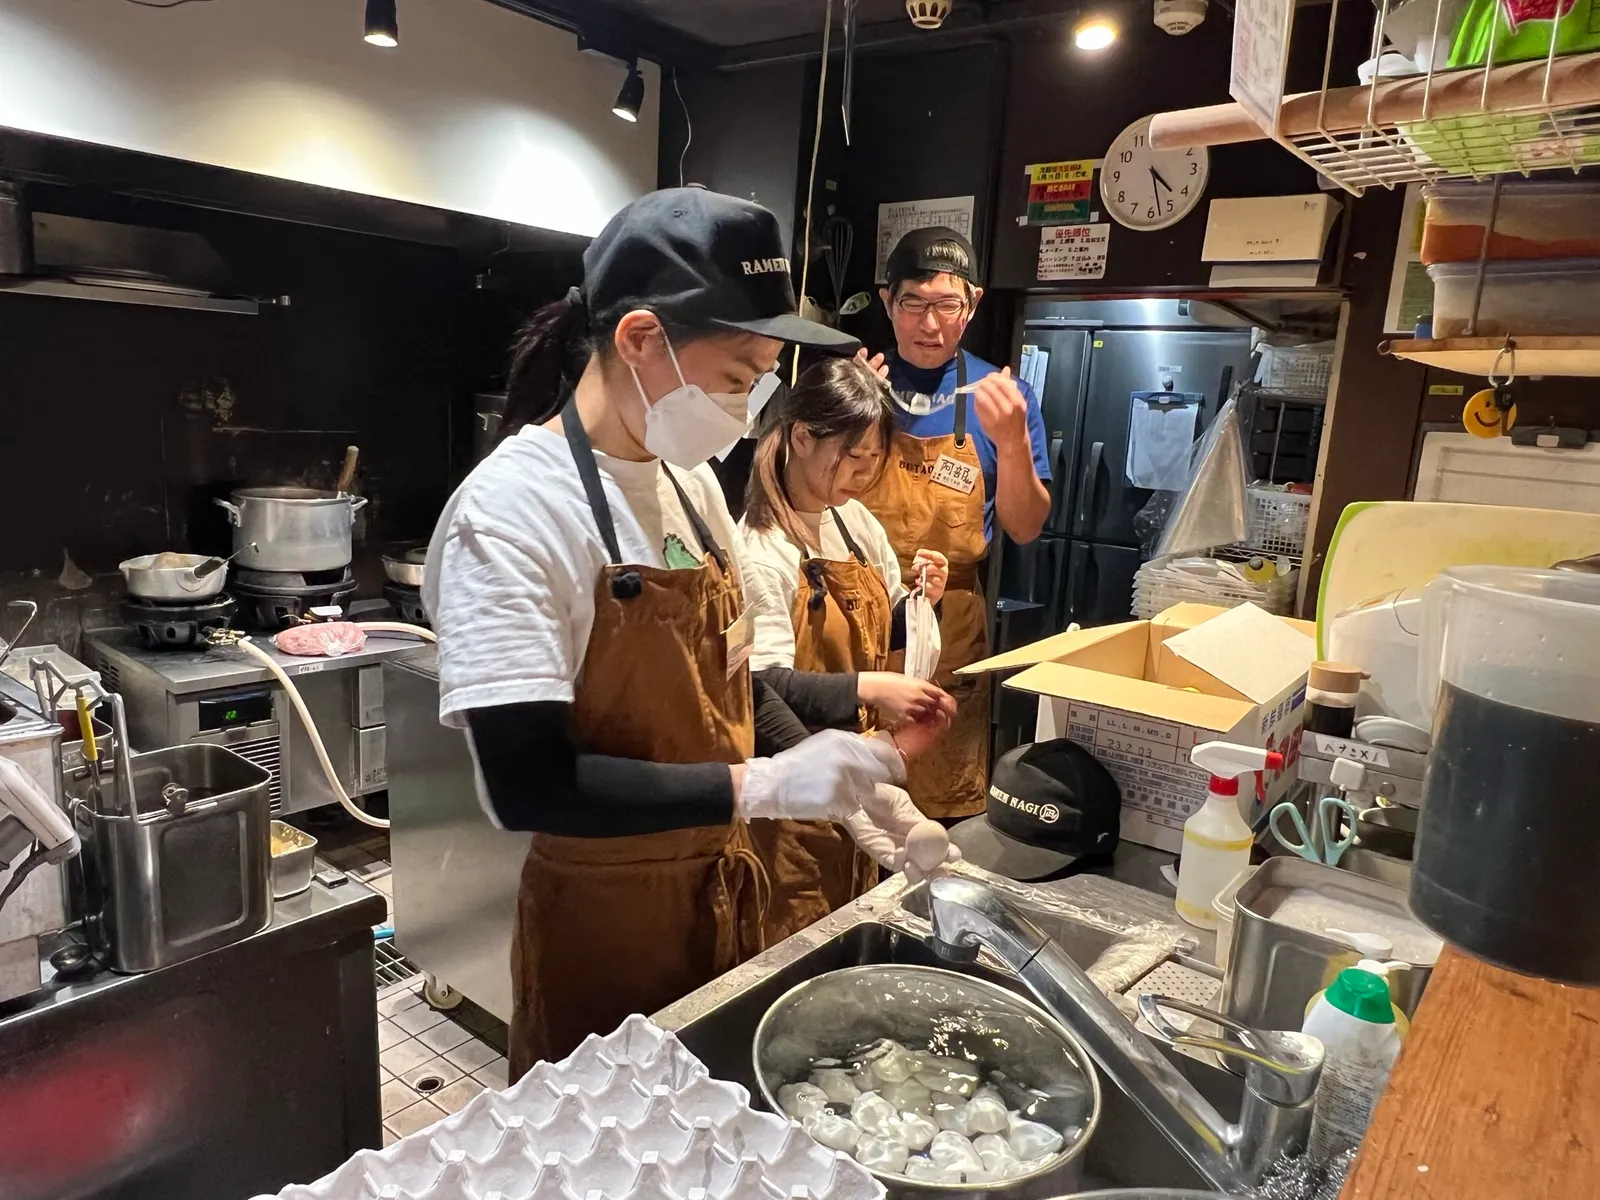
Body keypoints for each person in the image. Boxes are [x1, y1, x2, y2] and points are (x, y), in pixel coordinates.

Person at [423, 189, 946, 1078]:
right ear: (638, 340)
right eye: (739, 376)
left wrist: (854, 790)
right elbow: (527, 786)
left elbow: (729, 678)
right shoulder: (512, 515)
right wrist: (763, 785)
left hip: (722, 888)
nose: (748, 409)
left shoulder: (691, 485)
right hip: (604, 919)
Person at [738, 356, 957, 942]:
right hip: (792, 791)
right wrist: (867, 688)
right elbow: (762, 686)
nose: (862, 473)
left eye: (873, 459)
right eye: (851, 456)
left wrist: (919, 602)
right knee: (798, 937)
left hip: (859, 775)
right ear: (802, 437)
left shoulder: (854, 522)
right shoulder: (762, 550)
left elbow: (880, 630)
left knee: (859, 923)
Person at [857, 226, 1052, 820]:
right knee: (846, 801)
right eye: (913, 303)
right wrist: (847, 421)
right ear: (887, 302)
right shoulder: (859, 383)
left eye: (947, 305)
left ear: (972, 304)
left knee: (939, 814)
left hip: (952, 631)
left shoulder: (1004, 396)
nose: (930, 324)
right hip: (856, 618)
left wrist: (1013, 442)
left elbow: (1025, 528)